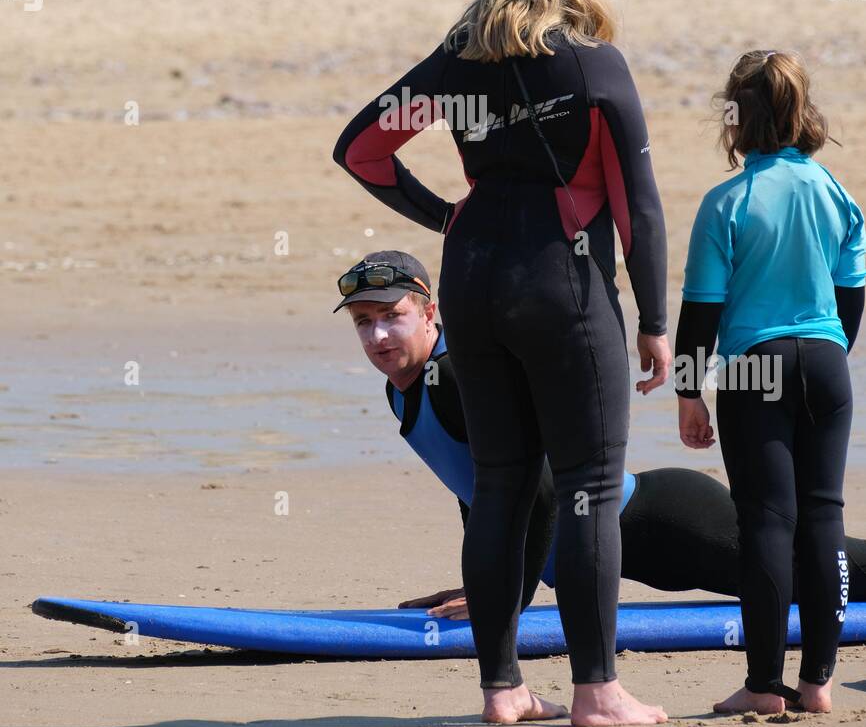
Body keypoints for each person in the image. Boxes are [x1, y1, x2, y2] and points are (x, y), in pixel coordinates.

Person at [333, 0, 671, 727]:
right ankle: (598, 691)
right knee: (590, 487)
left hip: (472, 276)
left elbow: (362, 150)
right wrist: (658, 322)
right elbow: (640, 205)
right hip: (564, 277)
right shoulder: (595, 65)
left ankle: (503, 690)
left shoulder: (459, 60)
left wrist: (447, 217)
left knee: (500, 485)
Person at [335, 250, 866, 617]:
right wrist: (485, 578)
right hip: (640, 540)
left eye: (392, 316)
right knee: (814, 572)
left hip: (659, 525)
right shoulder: (404, 385)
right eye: (363, 321)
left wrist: (510, 600)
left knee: (828, 574)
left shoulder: (452, 378)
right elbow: (479, 491)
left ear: (430, 312)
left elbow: (538, 492)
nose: (378, 336)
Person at [675, 50, 865, 715]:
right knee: (823, 517)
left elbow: (700, 312)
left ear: (734, 122)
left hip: (756, 369)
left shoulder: (726, 202)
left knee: (765, 522)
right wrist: (824, 360)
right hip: (826, 362)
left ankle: (762, 687)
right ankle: (817, 684)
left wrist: (687, 391)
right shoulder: (835, 192)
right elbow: (850, 304)